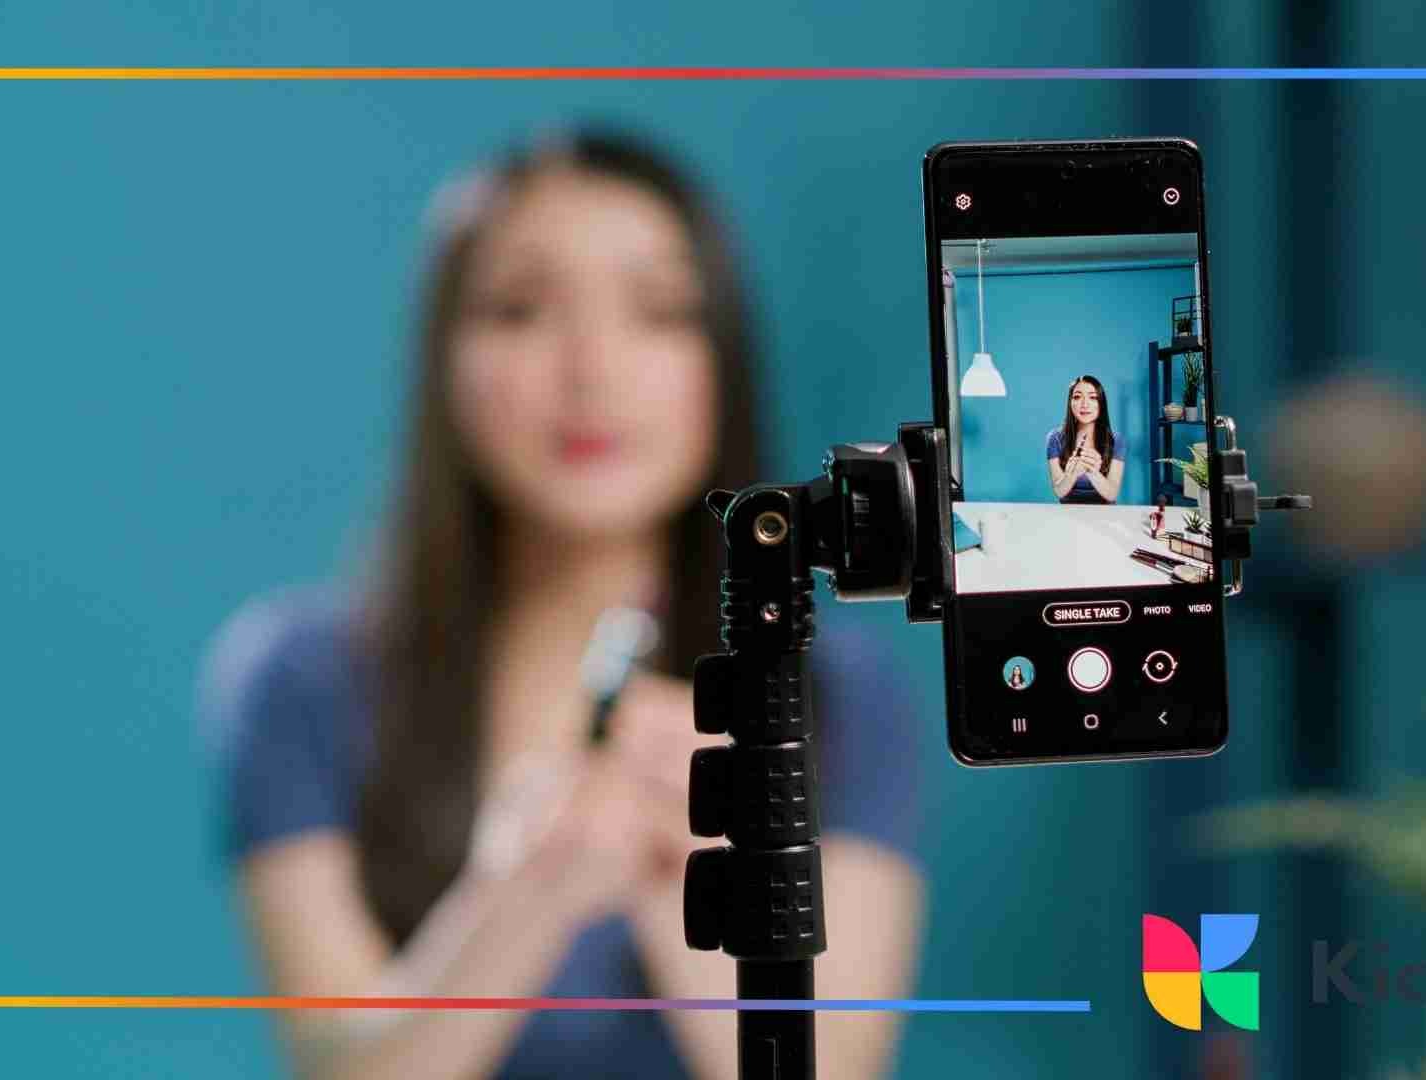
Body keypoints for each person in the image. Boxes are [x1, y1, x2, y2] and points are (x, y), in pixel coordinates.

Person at [199, 127, 925, 1080]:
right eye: (521, 309)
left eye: (660, 312)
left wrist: (694, 850)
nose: (593, 370)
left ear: (724, 360)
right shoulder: (298, 678)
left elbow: (835, 1071)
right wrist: (524, 888)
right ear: (444, 360)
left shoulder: (840, 695)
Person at [1046, 375, 1124, 504]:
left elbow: (1112, 494)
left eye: (1092, 397)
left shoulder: (1115, 440)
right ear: (1070, 403)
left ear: (1101, 403)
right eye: (1077, 397)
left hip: (1105, 512)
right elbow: (1059, 491)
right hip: (1068, 511)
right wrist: (1072, 474)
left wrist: (1092, 472)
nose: (1084, 404)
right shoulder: (1055, 438)